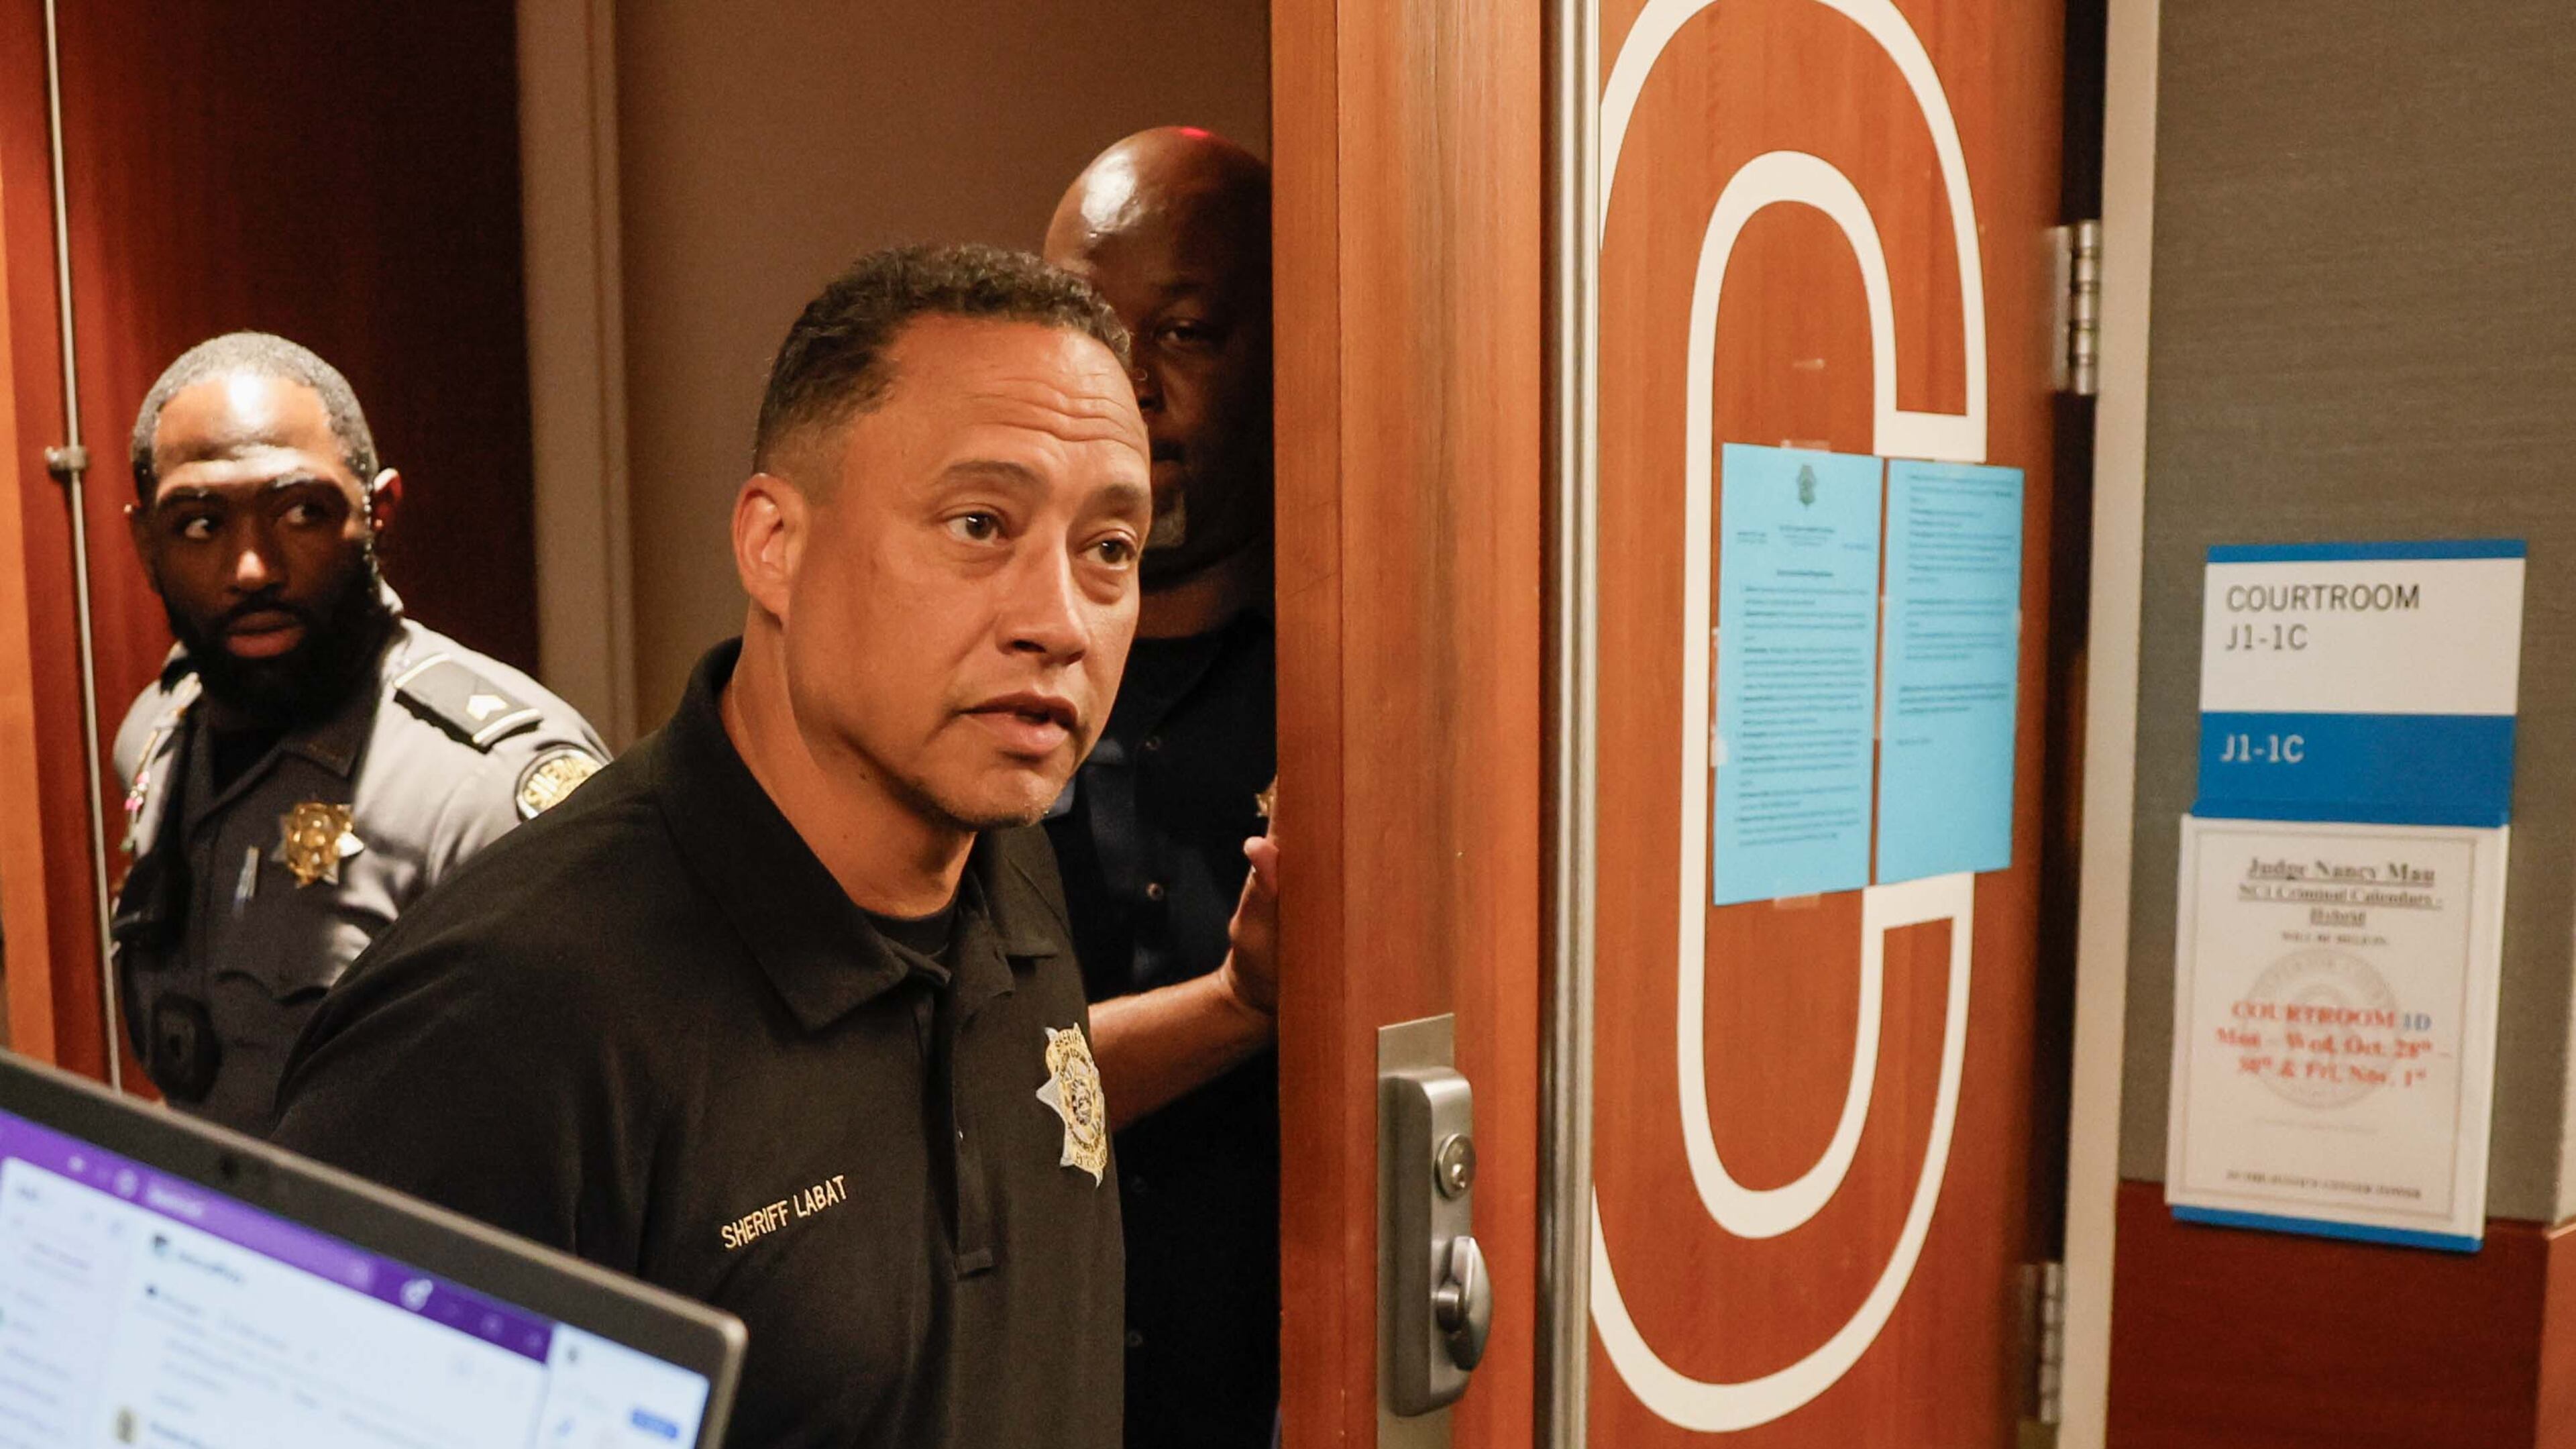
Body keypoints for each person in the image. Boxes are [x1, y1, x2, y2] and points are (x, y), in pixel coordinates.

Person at [271, 244, 1281, 1448]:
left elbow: (949, 1126)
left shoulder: (997, 850)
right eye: (978, 524)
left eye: (1108, 548)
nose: (1059, 622)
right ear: (773, 544)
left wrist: (1239, 1001)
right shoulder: (498, 1026)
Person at [109, 332, 604, 1138]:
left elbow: (599, 1139)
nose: (251, 569)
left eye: (302, 512)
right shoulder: (157, 739)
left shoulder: (488, 790)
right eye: (200, 525)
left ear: (380, 510)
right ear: (146, 545)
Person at [1040, 127, 1282, 1448]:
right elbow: (947, 1096)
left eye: (1183, 334)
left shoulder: (1385, 704)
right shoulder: (970, 685)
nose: (1124, 385)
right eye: (1083, 327)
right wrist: (1244, 1006)